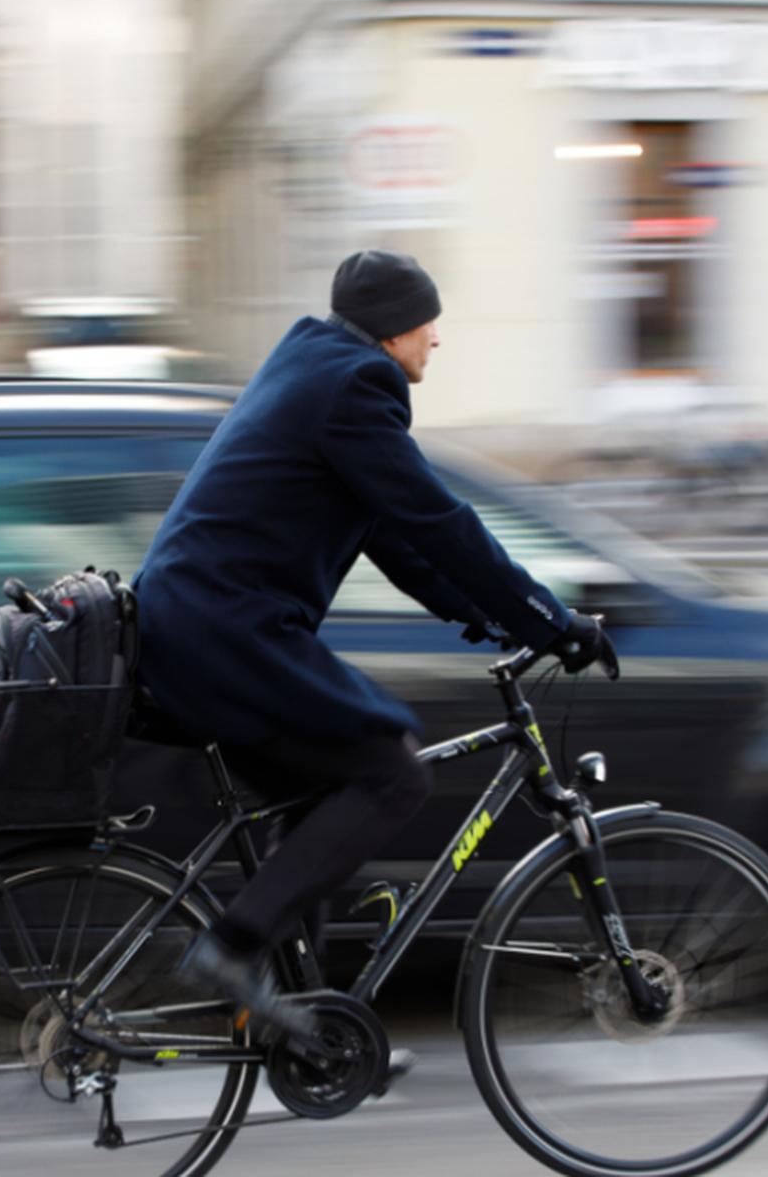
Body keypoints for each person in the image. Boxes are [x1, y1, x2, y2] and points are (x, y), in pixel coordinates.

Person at [131, 250, 618, 1035]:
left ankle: (300, 1017)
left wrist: (484, 618)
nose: (436, 339)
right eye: (430, 322)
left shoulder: (315, 368)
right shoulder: (356, 388)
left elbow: (396, 539)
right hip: (226, 631)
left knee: (326, 787)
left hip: (200, 624)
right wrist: (549, 621)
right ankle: (232, 946)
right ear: (395, 331)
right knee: (392, 775)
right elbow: (441, 520)